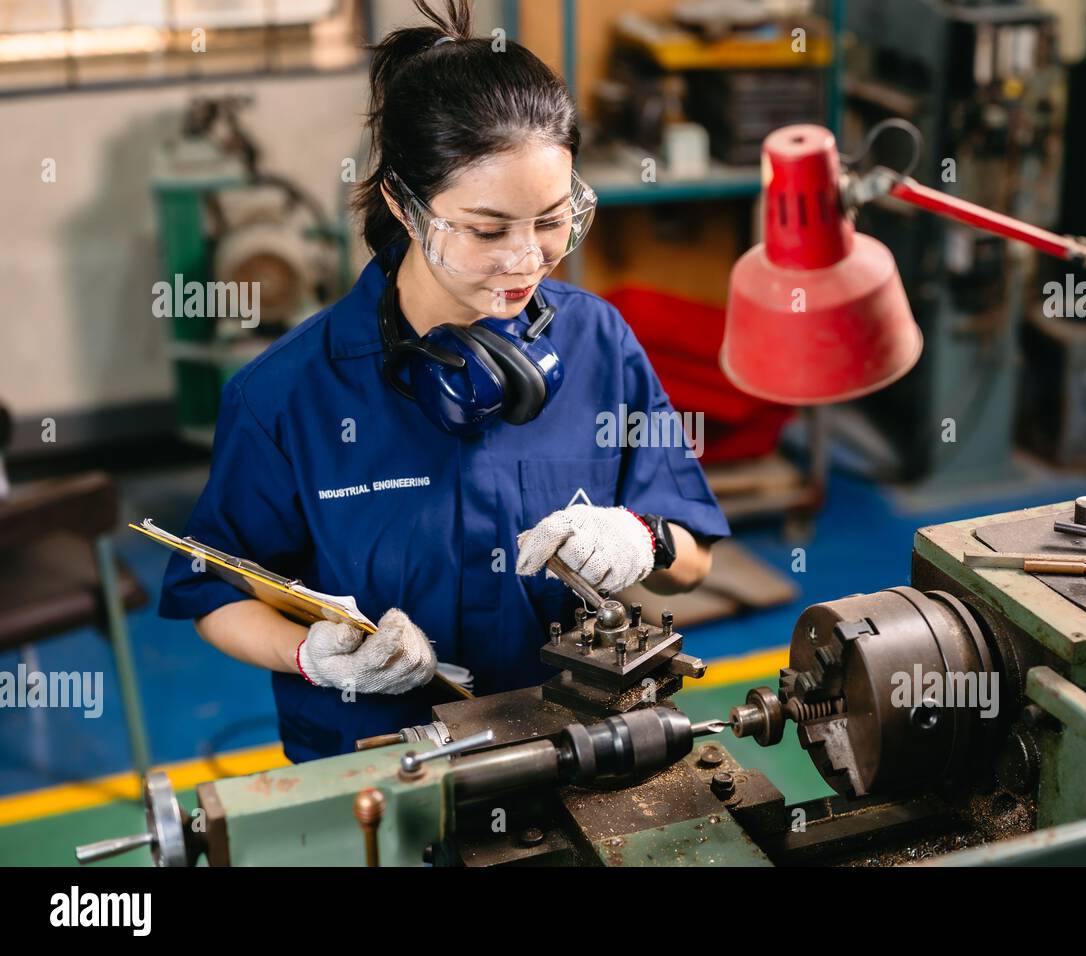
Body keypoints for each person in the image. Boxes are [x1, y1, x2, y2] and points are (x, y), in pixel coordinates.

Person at [158, 0, 730, 762]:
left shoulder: (599, 344)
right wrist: (309, 654)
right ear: (404, 202)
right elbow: (211, 588)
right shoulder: (287, 395)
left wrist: (645, 538)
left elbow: (695, 562)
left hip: (570, 749)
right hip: (377, 765)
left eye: (555, 220)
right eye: (489, 230)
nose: (527, 260)